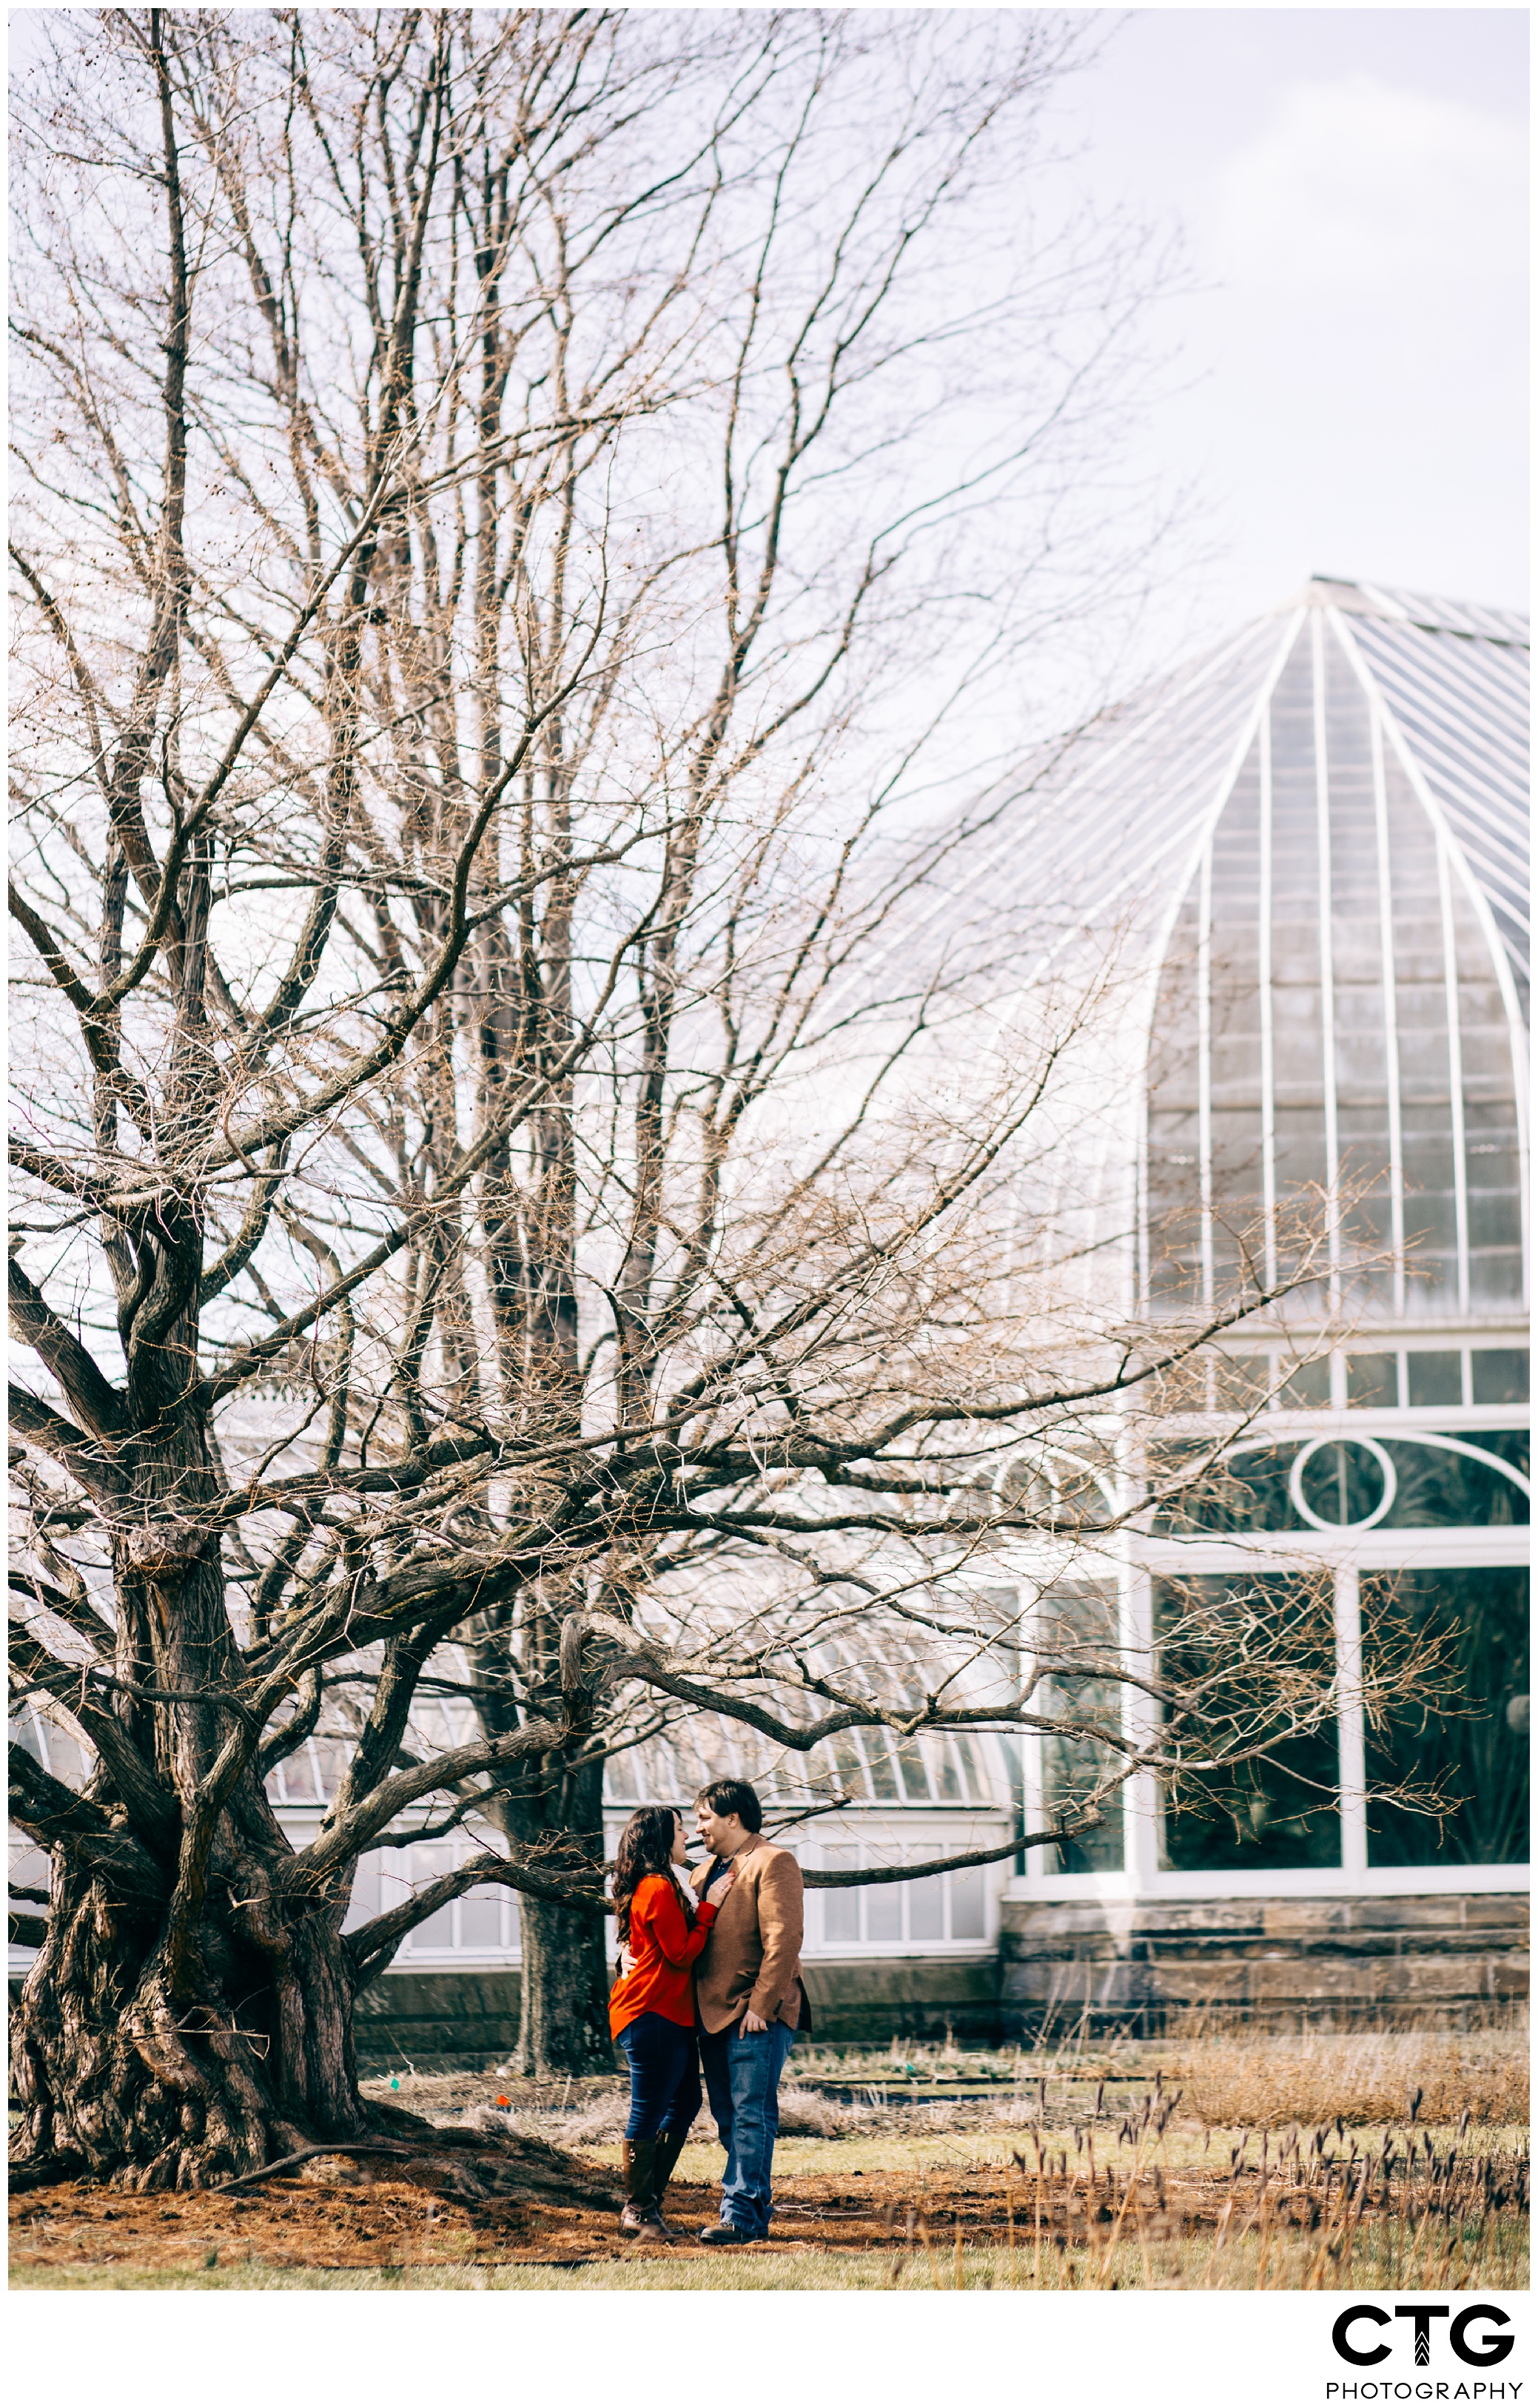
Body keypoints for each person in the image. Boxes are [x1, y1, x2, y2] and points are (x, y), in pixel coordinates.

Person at [689, 1778, 810, 2245]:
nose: (698, 1827)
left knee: (751, 2114)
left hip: (754, 2016)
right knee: (728, 2115)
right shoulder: (701, 1875)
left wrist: (762, 2005)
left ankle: (739, 2215)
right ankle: (753, 2211)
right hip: (710, 2015)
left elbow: (784, 1939)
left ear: (732, 1818)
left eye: (704, 1818)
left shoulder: (773, 1861)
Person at [608, 1804, 733, 2240]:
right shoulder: (658, 1888)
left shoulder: (663, 1885)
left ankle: (645, 2204)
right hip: (651, 2012)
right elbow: (680, 1953)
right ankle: (639, 2210)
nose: (688, 1837)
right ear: (662, 1841)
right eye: (681, 1831)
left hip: (667, 2014)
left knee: (683, 2104)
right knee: (648, 2110)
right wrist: (710, 1908)